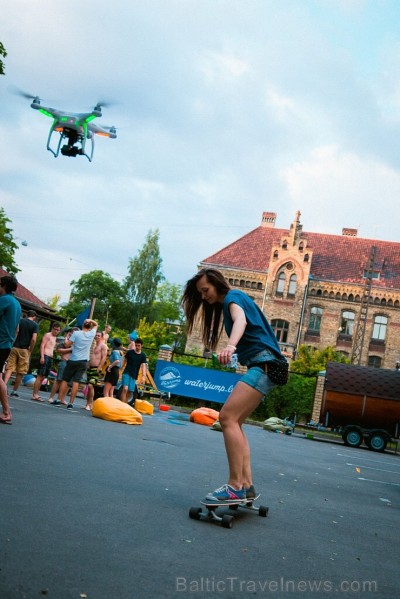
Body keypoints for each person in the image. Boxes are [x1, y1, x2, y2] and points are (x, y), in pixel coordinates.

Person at [181, 268, 285, 502]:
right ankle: (247, 485)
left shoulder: (233, 297)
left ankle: (235, 485)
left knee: (227, 418)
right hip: (267, 366)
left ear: (216, 284)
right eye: (200, 293)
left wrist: (230, 346)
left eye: (205, 290)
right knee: (235, 422)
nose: (203, 296)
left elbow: (241, 320)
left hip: (265, 364)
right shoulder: (229, 301)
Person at [56, 318, 98, 410]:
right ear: (90, 326)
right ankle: (71, 403)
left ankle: (59, 400)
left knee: (65, 380)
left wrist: (67, 338)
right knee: (76, 382)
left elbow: (67, 345)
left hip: (73, 359)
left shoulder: (76, 333)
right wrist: (90, 320)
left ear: (83, 325)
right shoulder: (91, 334)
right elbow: (96, 325)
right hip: (83, 361)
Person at [0, 275, 21, 424]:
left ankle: (7, 412)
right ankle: (6, 412)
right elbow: (17, 329)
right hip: (6, 344)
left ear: (3, 285)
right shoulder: (17, 304)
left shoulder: (4, 300)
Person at [4, 309, 39, 396]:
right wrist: (30, 350)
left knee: (9, 368)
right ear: (34, 317)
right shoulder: (35, 325)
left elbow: (16, 332)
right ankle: (14, 391)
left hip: (15, 347)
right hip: (25, 349)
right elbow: (34, 339)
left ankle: (3, 387)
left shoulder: (20, 321)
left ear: (27, 315)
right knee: (21, 371)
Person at [31, 322, 61, 402]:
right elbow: (42, 345)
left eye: (58, 330)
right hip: (45, 355)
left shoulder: (55, 338)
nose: (56, 331)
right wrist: (42, 356)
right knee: (40, 375)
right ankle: (35, 394)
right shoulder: (48, 335)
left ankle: (36, 393)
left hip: (50, 358)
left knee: (44, 376)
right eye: (55, 329)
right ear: (52, 329)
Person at [48, 328, 78, 405]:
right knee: (59, 380)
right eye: (73, 333)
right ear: (70, 333)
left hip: (72, 363)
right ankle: (51, 397)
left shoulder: (77, 342)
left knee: (68, 382)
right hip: (64, 361)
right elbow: (59, 350)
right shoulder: (65, 341)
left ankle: (62, 398)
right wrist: (70, 349)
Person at [85, 330, 107, 410]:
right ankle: (87, 403)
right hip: (89, 367)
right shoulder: (93, 345)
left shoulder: (103, 346)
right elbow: (89, 355)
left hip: (96, 368)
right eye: (96, 335)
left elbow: (104, 357)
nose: (97, 337)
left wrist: (99, 367)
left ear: (101, 337)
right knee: (88, 386)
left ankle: (90, 403)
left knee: (91, 385)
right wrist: (87, 364)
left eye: (98, 335)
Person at [120, 337, 147, 404]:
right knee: (125, 389)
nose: (137, 347)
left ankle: (125, 405)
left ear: (142, 346)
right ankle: (121, 405)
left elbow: (143, 366)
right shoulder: (130, 352)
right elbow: (124, 361)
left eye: (139, 346)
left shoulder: (143, 355)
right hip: (126, 372)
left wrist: (143, 376)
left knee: (130, 391)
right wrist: (120, 370)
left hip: (134, 375)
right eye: (136, 345)